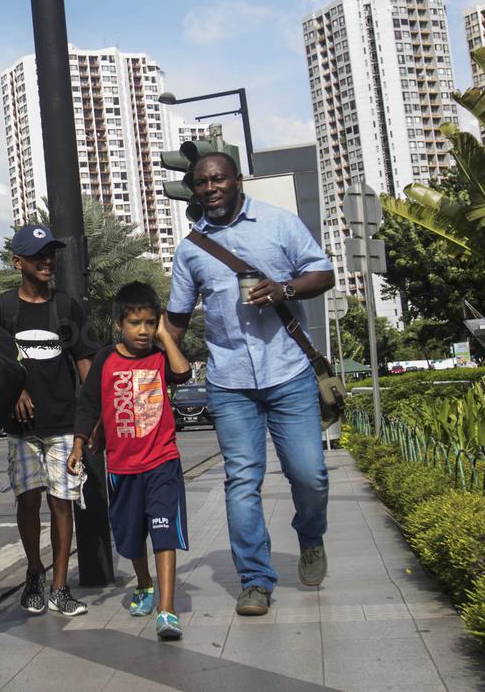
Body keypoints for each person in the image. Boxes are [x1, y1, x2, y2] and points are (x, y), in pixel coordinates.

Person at [165, 152, 335, 616]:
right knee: (242, 482)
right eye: (201, 183)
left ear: (237, 180)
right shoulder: (191, 249)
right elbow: (175, 319)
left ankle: (310, 535)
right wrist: (156, 373)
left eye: (218, 179)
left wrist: (285, 289)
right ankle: (255, 580)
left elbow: (324, 273)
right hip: (229, 381)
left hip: (288, 372)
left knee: (309, 474)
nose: (210, 188)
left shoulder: (280, 224)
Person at [0, 224, 98, 617]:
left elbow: (87, 365)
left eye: (50, 253)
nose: (47, 260)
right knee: (28, 501)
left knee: (62, 503)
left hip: (65, 424)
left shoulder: (68, 307)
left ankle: (60, 585)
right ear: (17, 262)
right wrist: (13, 392)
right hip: (22, 430)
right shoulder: (2, 308)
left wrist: (92, 421)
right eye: (37, 256)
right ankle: (34, 572)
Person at [69, 282, 191, 640]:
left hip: (162, 461)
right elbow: (89, 403)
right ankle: (144, 582)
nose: (143, 330)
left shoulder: (158, 356)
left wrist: (167, 337)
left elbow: (182, 372)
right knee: (131, 535)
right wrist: (79, 444)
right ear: (119, 324)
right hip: (121, 468)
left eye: (150, 323)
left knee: (163, 531)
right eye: (135, 323)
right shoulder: (106, 359)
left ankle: (167, 611)